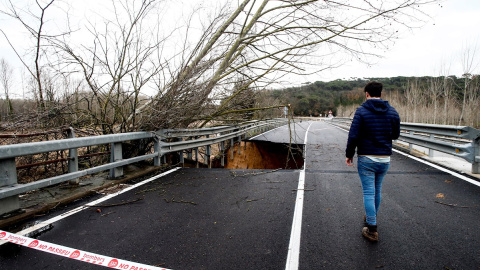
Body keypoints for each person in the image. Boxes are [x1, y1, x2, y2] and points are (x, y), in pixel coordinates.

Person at [345, 81, 400, 242]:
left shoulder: (362, 111)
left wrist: (349, 154)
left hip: (366, 158)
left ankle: (372, 228)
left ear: (366, 94)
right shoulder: (392, 111)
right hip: (384, 158)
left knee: (369, 192)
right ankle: (371, 216)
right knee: (377, 189)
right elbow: (395, 135)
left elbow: (353, 135)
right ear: (381, 94)